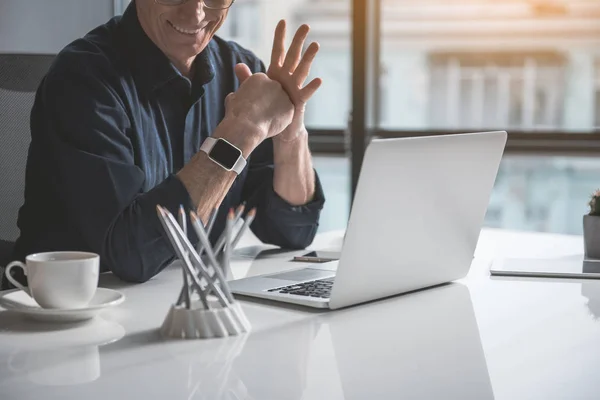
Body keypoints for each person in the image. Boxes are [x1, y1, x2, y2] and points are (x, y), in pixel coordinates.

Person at [8, 0, 325, 286]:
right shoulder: (84, 79)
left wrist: (290, 133)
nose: (196, 13)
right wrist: (241, 132)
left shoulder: (242, 70)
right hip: (64, 315)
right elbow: (131, 255)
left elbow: (292, 230)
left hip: (187, 302)